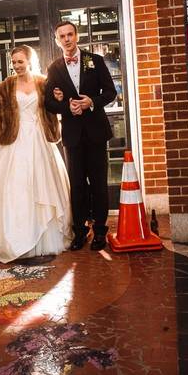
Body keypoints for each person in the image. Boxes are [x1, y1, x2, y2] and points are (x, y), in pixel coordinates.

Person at [0, 45, 71, 263]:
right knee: (14, 189)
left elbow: (55, 107)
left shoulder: (44, 82)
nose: (16, 66)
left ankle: (44, 237)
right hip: (15, 142)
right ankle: (12, 237)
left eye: (20, 61)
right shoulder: (7, 85)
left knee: (43, 186)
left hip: (40, 140)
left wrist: (60, 98)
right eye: (14, 62)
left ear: (30, 61)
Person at [44, 21, 117, 251]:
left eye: (70, 34)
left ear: (77, 36)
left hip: (96, 132)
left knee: (98, 184)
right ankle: (80, 231)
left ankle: (100, 232)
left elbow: (111, 92)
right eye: (62, 36)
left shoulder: (94, 60)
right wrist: (67, 107)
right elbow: (47, 102)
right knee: (76, 186)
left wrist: (91, 102)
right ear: (57, 41)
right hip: (73, 135)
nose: (67, 39)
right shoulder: (54, 68)